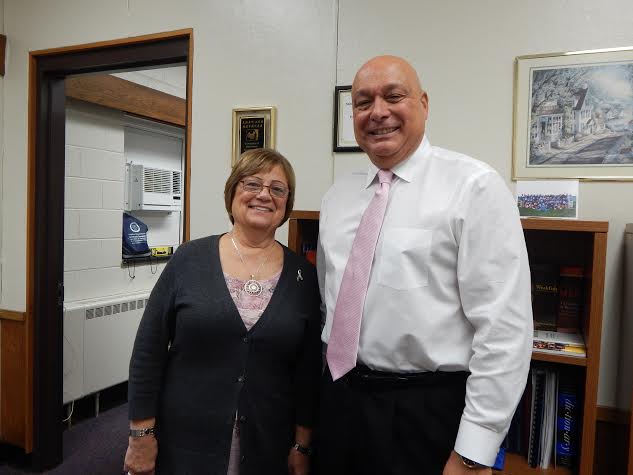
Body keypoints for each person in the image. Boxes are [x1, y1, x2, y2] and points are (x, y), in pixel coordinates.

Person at [316, 55, 533, 474]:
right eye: (363, 102)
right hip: (340, 400)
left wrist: (473, 452)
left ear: (424, 104)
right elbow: (330, 301)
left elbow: (504, 329)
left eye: (394, 96)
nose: (378, 112)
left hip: (426, 413)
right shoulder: (337, 197)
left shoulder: (475, 188)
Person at [124, 148, 322, 475]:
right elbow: (148, 350)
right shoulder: (189, 259)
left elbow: (307, 370)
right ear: (233, 193)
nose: (264, 195)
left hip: (267, 443)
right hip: (185, 440)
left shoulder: (303, 275)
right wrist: (140, 435)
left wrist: (302, 444)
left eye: (277, 189)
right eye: (252, 184)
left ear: (287, 203)